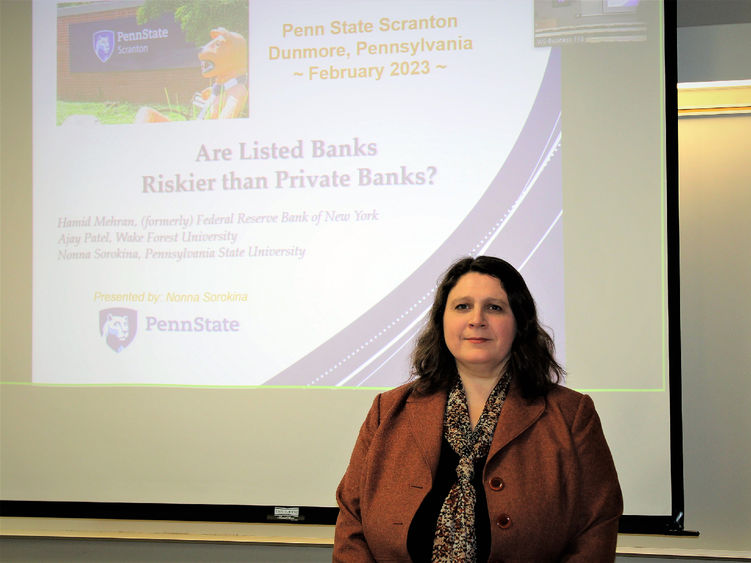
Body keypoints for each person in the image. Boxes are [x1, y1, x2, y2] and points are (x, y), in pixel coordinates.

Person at [334, 256, 622, 562]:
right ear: (441, 320)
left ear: (519, 323)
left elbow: (595, 530)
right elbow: (352, 523)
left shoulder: (572, 415)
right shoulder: (388, 410)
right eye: (462, 306)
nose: (476, 319)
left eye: (494, 307)